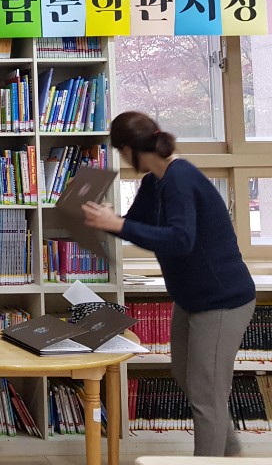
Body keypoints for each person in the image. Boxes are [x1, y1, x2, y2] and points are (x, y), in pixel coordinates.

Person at [81, 111, 256, 457]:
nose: (122, 159)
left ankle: (212, 462)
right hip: (191, 298)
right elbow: (136, 226)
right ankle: (231, 454)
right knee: (186, 376)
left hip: (222, 300)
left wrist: (117, 224)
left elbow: (180, 239)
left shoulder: (179, 178)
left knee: (206, 395)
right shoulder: (155, 182)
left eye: (120, 152)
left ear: (129, 150)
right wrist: (106, 220)